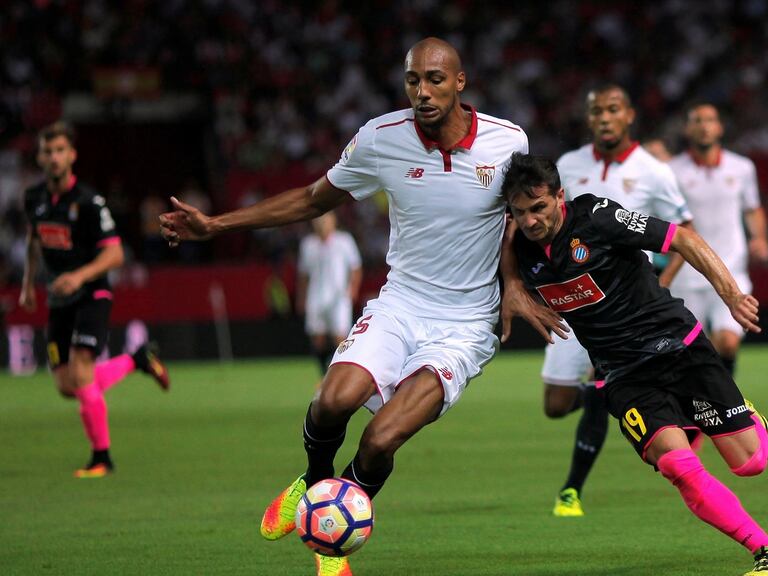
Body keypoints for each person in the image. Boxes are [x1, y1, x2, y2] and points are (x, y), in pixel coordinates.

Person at [159, 38, 564, 576]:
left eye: (435, 80)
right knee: (333, 401)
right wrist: (216, 225)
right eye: (413, 80)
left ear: (460, 83)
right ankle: (313, 484)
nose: (422, 91)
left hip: (466, 323)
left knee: (381, 438)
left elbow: (517, 218)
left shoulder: (508, 141)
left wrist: (512, 283)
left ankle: (328, 542)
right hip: (402, 301)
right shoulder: (380, 139)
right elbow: (312, 199)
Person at [503, 153, 768, 576]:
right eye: (520, 213)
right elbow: (502, 249)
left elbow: (684, 240)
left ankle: (754, 423)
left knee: (750, 464)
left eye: (539, 208)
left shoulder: (599, 217)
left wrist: (730, 296)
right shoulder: (517, 247)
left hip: (677, 347)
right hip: (622, 375)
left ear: (560, 196)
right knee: (677, 466)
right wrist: (511, 283)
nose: (530, 221)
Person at [543, 84, 693, 517]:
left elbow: (684, 230)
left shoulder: (653, 170)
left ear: (629, 115)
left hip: (626, 308)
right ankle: (660, 398)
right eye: (596, 112)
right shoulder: (568, 165)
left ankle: (571, 491)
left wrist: (657, 286)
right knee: (555, 404)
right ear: (589, 119)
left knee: (599, 383)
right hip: (573, 299)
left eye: (612, 110)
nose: (604, 118)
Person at [19, 121, 170, 478]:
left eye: (60, 151)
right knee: (67, 385)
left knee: (82, 370)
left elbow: (115, 255)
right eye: (48, 151)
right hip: (59, 300)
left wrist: (78, 276)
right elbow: (33, 241)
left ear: (72, 155)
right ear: (40, 157)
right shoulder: (34, 198)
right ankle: (137, 359)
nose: (54, 158)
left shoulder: (88, 201)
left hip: (92, 293)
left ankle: (102, 458)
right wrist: (27, 285)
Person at [666, 104, 768, 377]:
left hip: (731, 269)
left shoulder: (742, 167)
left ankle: (726, 402)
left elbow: (752, 208)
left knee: (728, 341)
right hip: (686, 274)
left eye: (710, 120)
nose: (704, 125)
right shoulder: (670, 170)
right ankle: (710, 403)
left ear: (720, 127)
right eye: (697, 120)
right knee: (686, 352)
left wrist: (759, 238)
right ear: (688, 129)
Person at [297, 211, 362, 375]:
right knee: (317, 337)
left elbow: (356, 268)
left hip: (339, 296)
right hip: (316, 296)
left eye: (325, 221)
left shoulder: (344, 241)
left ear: (333, 222)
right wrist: (302, 297)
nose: (322, 224)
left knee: (340, 336)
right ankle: (323, 373)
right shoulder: (308, 244)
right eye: (319, 221)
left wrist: (352, 290)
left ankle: (341, 371)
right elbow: (303, 275)